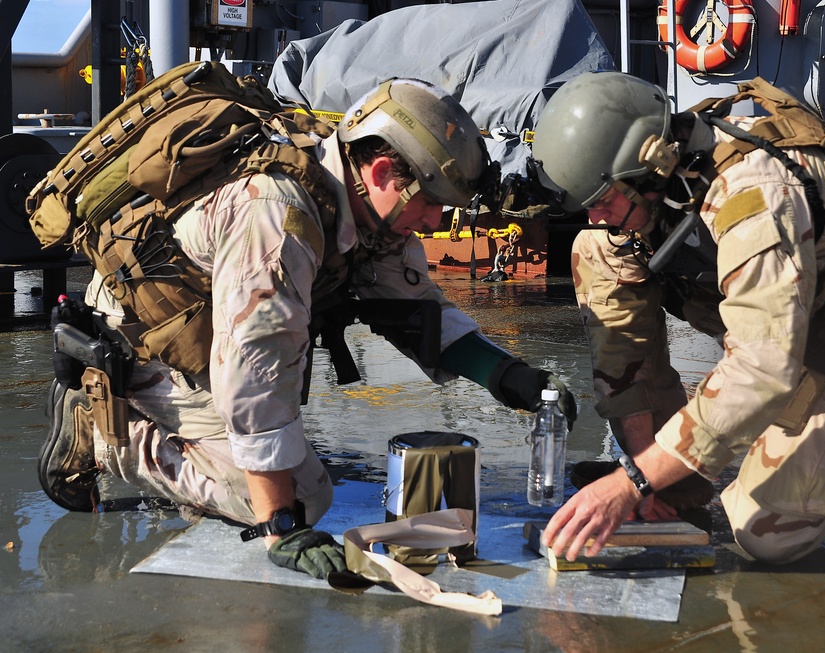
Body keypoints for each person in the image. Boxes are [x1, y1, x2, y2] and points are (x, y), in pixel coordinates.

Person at [37, 78, 576, 579]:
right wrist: (280, 525)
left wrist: (508, 376)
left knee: (292, 472)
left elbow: (415, 306)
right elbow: (255, 371)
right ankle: (103, 429)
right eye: (433, 203)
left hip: (205, 336)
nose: (436, 224)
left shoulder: (364, 203)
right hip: (144, 343)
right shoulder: (278, 217)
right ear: (385, 171)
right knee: (298, 497)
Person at [529, 71, 825, 564]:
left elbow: (761, 367)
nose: (596, 215)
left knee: (760, 532)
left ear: (648, 167)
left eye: (604, 201)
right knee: (598, 249)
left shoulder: (753, 196)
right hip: (784, 336)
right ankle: (672, 472)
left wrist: (626, 486)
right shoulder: (673, 178)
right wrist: (648, 477)